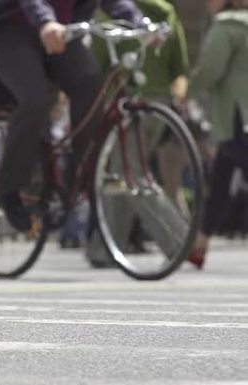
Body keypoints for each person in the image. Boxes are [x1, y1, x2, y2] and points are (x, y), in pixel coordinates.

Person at [0, 0, 144, 233]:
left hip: (62, 31)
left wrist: (139, 22)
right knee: (36, 101)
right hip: (9, 31)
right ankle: (10, 188)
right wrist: (44, 21)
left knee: (90, 83)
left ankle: (84, 171)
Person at [86, 0, 190, 266]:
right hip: (159, 104)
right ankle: (106, 248)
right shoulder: (167, 12)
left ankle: (181, 243)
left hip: (126, 104)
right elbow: (180, 68)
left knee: (133, 175)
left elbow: (97, 64)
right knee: (123, 172)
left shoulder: (113, 11)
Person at [187, 0, 248, 269]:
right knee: (222, 177)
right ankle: (200, 245)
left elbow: (210, 70)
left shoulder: (227, 26)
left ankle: (200, 244)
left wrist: (186, 90)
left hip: (238, 113)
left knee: (222, 180)